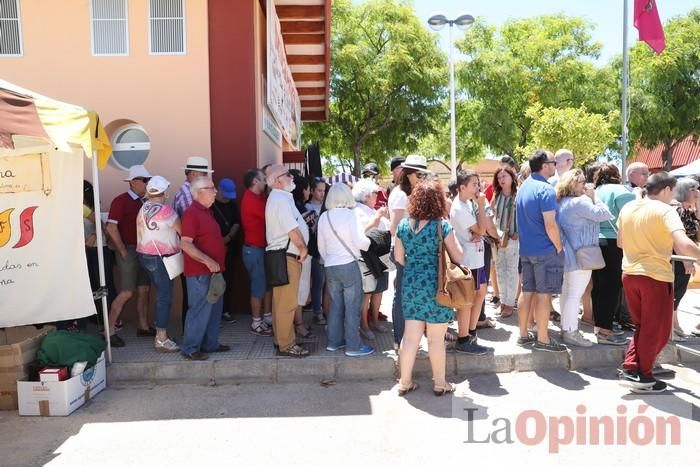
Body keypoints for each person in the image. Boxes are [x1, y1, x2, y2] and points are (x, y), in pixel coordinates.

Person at [617, 172, 700, 393]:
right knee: (659, 330)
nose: (672, 196)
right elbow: (683, 243)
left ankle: (632, 368)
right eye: (672, 191)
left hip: (630, 272)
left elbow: (620, 242)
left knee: (644, 327)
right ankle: (641, 375)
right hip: (655, 276)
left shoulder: (629, 208)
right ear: (665, 190)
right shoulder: (665, 210)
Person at [395, 180, 464, 396]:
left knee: (410, 337)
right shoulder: (442, 226)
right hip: (437, 286)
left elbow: (399, 257)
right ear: (438, 201)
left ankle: (404, 382)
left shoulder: (404, 226)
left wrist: (416, 268)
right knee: (436, 338)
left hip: (411, 284)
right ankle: (440, 383)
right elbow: (458, 255)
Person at [515, 150, 567, 352]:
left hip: (526, 250)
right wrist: (559, 246)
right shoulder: (545, 190)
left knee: (527, 292)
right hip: (545, 250)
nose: (555, 165)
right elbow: (550, 224)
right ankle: (543, 339)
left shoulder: (524, 188)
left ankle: (523, 334)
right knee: (544, 295)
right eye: (553, 162)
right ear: (545, 165)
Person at [556, 170, 612, 347]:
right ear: (575, 184)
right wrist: (595, 197)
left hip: (566, 252)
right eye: (582, 183)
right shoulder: (580, 202)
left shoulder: (561, 202)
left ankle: (566, 328)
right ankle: (571, 331)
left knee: (566, 292)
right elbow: (604, 214)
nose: (585, 186)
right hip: (582, 253)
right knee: (575, 294)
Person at [317, 183, 374, 357]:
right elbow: (360, 242)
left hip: (330, 265)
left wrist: (330, 259)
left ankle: (334, 343)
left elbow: (321, 247)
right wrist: (370, 241)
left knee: (335, 305)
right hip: (349, 264)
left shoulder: (324, 217)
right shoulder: (351, 216)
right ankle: (353, 346)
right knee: (352, 306)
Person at [179, 177, 230, 360]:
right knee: (199, 309)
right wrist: (208, 261)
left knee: (214, 309)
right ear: (199, 191)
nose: (215, 191)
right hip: (200, 273)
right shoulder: (192, 213)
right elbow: (185, 244)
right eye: (211, 188)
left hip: (214, 272)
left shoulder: (207, 211)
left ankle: (210, 344)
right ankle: (190, 348)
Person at [105, 165, 153, 347]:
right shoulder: (121, 200)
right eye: (144, 180)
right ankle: (109, 331)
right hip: (130, 249)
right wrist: (123, 250)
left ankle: (143, 325)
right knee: (126, 292)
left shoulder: (145, 201)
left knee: (144, 289)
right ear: (133, 182)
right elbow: (111, 226)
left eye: (148, 180)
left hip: (143, 249)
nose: (147, 183)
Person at [265, 164, 310, 357]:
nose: (291, 177)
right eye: (287, 174)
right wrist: (302, 248)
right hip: (286, 256)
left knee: (281, 302)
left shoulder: (280, 198)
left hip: (283, 256)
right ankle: (286, 344)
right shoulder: (280, 199)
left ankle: (281, 340)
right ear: (277, 181)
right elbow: (291, 229)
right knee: (287, 303)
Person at [387, 155, 430, 350]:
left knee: (408, 293)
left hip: (413, 252)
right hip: (403, 251)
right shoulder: (401, 195)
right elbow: (394, 227)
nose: (423, 178)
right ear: (410, 174)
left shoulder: (411, 193)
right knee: (402, 294)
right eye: (420, 174)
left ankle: (409, 339)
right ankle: (400, 340)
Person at [591, 163, 635, 345]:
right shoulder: (622, 191)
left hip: (594, 241)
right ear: (616, 174)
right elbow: (631, 217)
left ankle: (599, 326)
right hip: (613, 242)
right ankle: (605, 331)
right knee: (611, 287)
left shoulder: (595, 191)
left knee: (598, 287)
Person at [136, 176, 181, 352]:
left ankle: (161, 335)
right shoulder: (167, 211)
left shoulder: (143, 208)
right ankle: (161, 338)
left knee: (161, 295)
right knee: (165, 297)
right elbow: (182, 231)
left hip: (145, 256)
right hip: (161, 258)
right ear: (164, 191)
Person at [450, 170, 491, 355]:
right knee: (467, 300)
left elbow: (481, 230)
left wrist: (479, 231)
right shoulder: (459, 207)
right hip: (468, 260)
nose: (478, 187)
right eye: (474, 184)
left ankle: (471, 332)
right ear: (462, 187)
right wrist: (481, 206)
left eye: (478, 183)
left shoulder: (467, 203)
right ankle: (464, 337)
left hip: (476, 257)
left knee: (480, 293)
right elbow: (482, 228)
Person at [174, 156, 215, 328]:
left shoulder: (190, 192)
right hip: (195, 256)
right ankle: (191, 338)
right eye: (203, 173)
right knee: (196, 301)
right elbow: (189, 230)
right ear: (191, 174)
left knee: (199, 299)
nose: (206, 176)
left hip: (199, 255)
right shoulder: (186, 194)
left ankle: (196, 335)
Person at [352, 178, 390, 339]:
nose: (377, 196)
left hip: (380, 257)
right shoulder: (357, 211)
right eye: (375, 193)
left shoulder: (370, 209)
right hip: (367, 258)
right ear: (367, 195)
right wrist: (378, 218)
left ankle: (374, 321)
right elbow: (362, 233)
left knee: (379, 290)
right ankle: (364, 325)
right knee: (367, 293)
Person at [240, 169, 273, 336]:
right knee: (258, 287)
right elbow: (270, 215)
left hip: (260, 249)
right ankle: (256, 322)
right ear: (255, 182)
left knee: (266, 286)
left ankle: (267, 317)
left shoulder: (257, 198)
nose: (266, 182)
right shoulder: (251, 200)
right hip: (254, 250)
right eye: (263, 179)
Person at [670, 177, 699, 340]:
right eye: (693, 189)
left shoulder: (688, 210)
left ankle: (675, 324)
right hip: (679, 257)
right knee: (676, 291)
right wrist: (686, 259)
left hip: (685, 256)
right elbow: (675, 239)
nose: (696, 192)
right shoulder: (678, 209)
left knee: (679, 292)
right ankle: (672, 326)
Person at [210, 177, 241, 323]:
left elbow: (237, 223)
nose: (226, 198)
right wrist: (218, 242)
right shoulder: (210, 205)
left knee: (228, 280)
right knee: (214, 281)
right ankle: (214, 313)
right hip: (213, 250)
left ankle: (225, 311)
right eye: (224, 195)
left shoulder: (233, 206)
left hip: (230, 248)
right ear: (218, 191)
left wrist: (228, 238)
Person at [491, 166, 519, 319]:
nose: (501, 180)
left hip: (513, 239)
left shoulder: (518, 195)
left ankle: (509, 304)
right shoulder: (497, 195)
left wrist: (519, 232)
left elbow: (525, 216)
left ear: (511, 177)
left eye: (504, 176)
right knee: (500, 270)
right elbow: (492, 215)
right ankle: (503, 302)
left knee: (512, 271)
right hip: (498, 239)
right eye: (499, 177)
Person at [292, 175, 315, 338]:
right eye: (307, 188)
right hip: (301, 255)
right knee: (300, 290)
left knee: (302, 289)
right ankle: (298, 323)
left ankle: (298, 321)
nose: (309, 192)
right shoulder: (297, 208)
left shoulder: (297, 206)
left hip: (304, 254)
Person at [305, 177, 328, 325]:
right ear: (312, 191)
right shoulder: (307, 208)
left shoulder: (328, 207)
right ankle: (317, 312)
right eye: (319, 190)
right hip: (314, 250)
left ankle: (326, 310)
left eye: (324, 191)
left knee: (328, 283)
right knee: (318, 282)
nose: (322, 194)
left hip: (328, 250)